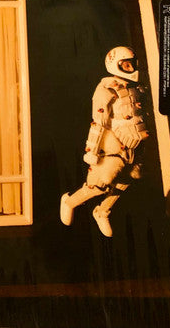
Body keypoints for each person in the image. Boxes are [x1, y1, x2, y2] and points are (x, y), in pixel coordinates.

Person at [60, 46, 149, 237]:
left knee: (129, 177)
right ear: (115, 65)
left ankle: (102, 211)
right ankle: (69, 202)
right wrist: (91, 150)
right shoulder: (106, 88)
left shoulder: (138, 87)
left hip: (135, 142)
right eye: (126, 65)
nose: (131, 68)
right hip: (114, 144)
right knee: (100, 184)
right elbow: (98, 122)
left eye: (132, 64)